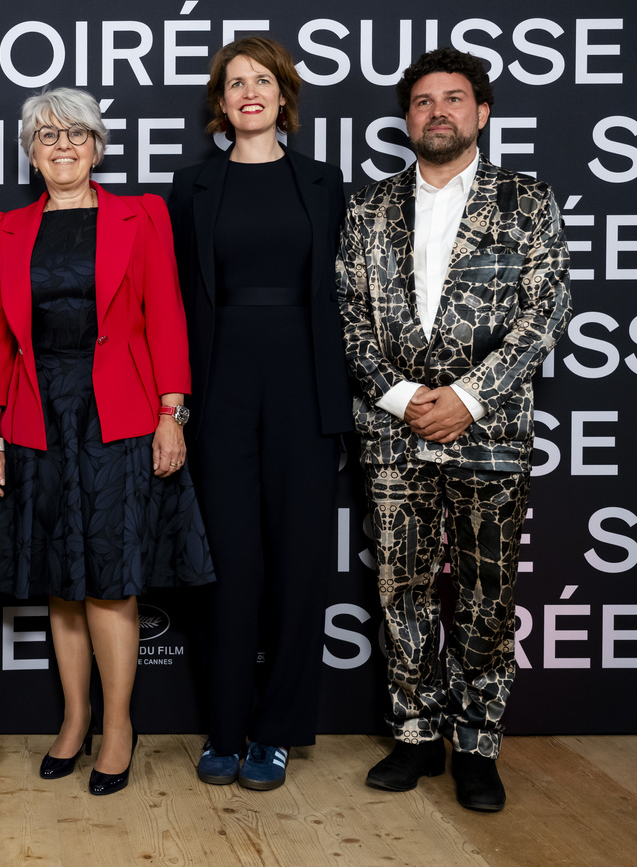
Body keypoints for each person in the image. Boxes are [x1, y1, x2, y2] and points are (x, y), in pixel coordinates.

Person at [336, 46, 570, 812]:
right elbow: (348, 316)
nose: (438, 111)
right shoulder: (370, 207)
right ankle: (412, 731)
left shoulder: (525, 199)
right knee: (401, 586)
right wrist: (404, 396)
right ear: (407, 120)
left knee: (484, 594)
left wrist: (469, 395)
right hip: (395, 430)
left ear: (482, 112)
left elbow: (547, 313)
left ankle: (475, 743)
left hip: (491, 429)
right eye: (423, 101)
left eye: (454, 98)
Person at [0, 87, 212, 797]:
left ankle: (117, 726)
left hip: (121, 411)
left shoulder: (143, 215)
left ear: (99, 146)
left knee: (111, 581)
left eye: (77, 133)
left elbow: (166, 311)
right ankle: (73, 720)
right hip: (35, 412)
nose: (63, 145)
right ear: (30, 151)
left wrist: (173, 410)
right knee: (61, 580)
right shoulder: (6, 228)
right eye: (47, 136)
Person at [166, 36, 353, 791]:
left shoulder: (323, 181)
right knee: (229, 567)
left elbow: (344, 300)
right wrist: (175, 404)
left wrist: (339, 403)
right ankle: (225, 728)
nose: (249, 91)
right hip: (219, 393)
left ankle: (276, 733)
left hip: (306, 392)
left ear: (284, 96)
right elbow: (175, 303)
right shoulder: (192, 186)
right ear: (220, 101)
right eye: (235, 82)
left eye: (262, 80)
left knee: (300, 566)